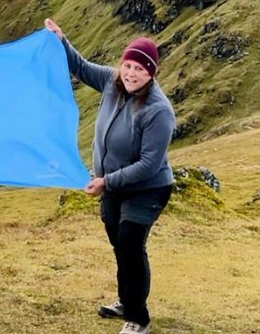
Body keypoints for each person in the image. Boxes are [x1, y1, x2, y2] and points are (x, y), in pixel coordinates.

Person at [44, 18, 175, 334]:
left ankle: (138, 318)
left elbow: (148, 164)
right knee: (120, 245)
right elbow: (82, 67)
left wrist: (106, 181)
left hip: (147, 188)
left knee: (131, 244)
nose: (131, 73)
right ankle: (125, 299)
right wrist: (60, 40)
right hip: (113, 185)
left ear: (151, 74)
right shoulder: (112, 81)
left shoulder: (159, 111)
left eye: (139, 70)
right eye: (128, 65)